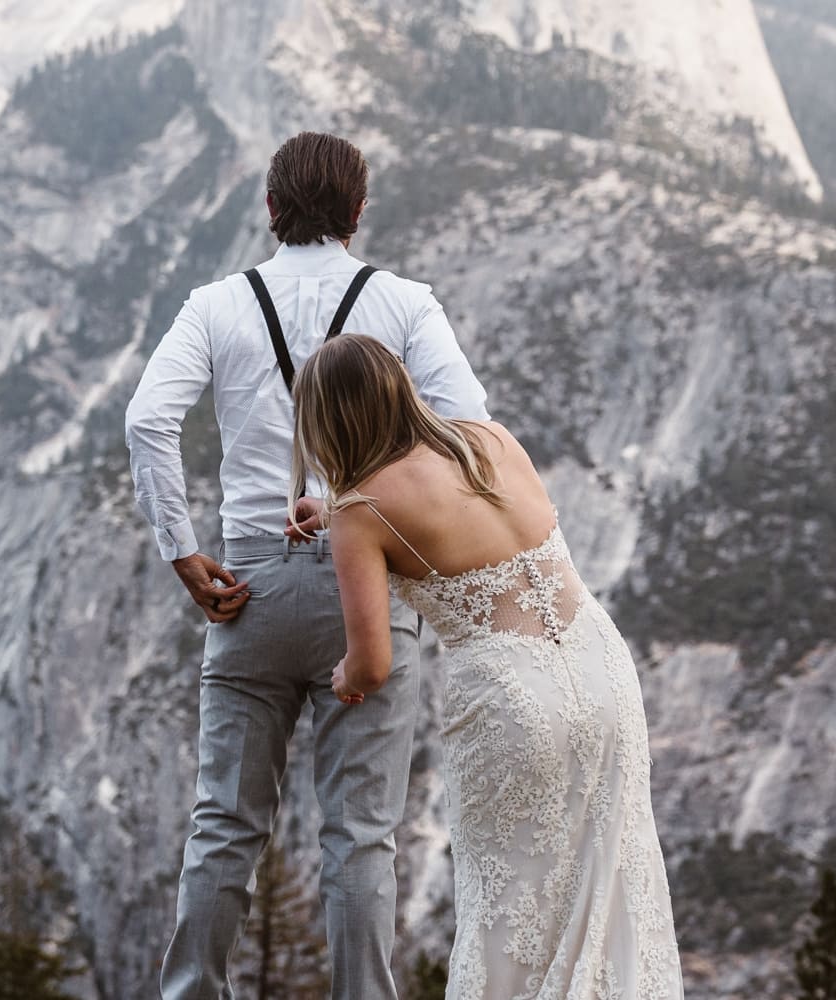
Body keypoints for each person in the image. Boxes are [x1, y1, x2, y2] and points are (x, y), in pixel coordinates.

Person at [124, 132, 488, 999]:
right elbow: (470, 423)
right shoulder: (401, 303)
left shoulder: (216, 304)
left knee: (224, 823)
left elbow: (147, 421)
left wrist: (182, 549)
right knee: (359, 833)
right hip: (366, 581)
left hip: (245, 585)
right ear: (359, 213)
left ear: (270, 208)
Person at [289, 334, 684, 999]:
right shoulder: (489, 440)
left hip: (511, 702)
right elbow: (446, 509)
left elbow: (373, 663)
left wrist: (343, 679)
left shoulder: (363, 511)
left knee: (511, 906)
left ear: (327, 421)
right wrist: (332, 515)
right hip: (603, 669)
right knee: (609, 881)